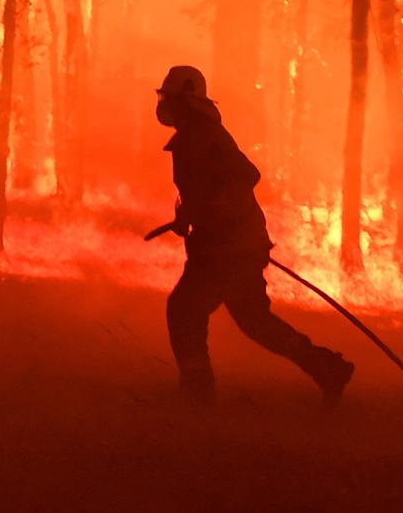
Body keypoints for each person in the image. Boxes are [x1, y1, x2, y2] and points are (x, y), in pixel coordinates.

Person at [149, 64, 353, 407]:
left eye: (171, 98)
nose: (166, 104)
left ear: (188, 102)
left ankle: (197, 389)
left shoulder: (205, 136)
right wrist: (189, 216)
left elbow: (246, 175)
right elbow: (205, 190)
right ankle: (326, 367)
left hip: (228, 249)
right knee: (252, 321)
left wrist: (215, 217)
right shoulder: (194, 136)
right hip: (225, 247)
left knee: (185, 311)